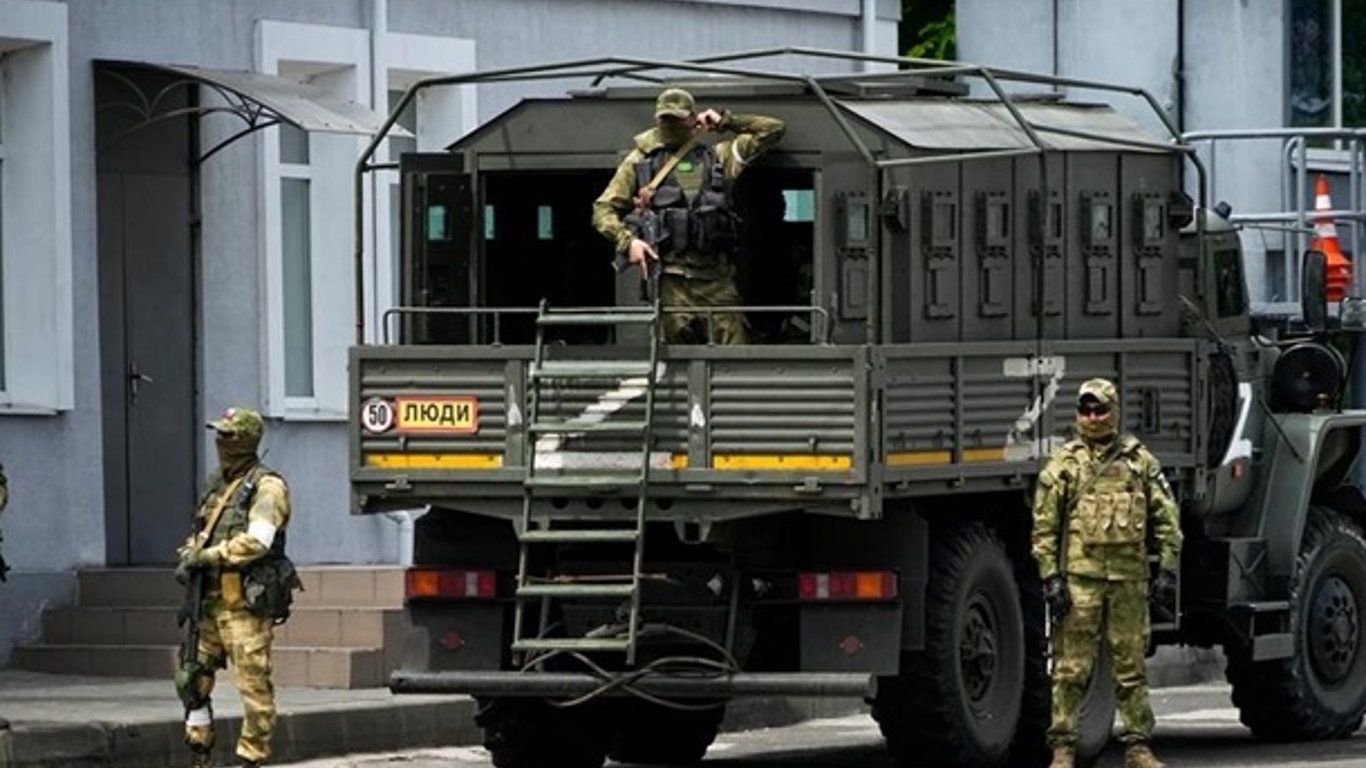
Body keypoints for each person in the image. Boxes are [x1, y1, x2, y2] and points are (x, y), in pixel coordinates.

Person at [1031, 379, 1182, 768]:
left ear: (1114, 412)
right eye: (1086, 410)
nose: (1093, 417)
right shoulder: (1065, 465)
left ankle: (1138, 747)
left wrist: (1167, 568)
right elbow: (1044, 528)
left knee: (1131, 667)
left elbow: (1166, 518)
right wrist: (1051, 578)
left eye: (1100, 409)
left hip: (1128, 581)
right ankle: (1063, 749)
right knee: (1071, 669)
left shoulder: (1138, 462)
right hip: (1081, 582)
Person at [592, 87, 785, 344]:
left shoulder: (718, 157)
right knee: (676, 358)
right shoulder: (640, 161)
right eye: (666, 119)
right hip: (671, 281)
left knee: (735, 351)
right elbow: (603, 210)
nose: (671, 125)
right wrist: (628, 243)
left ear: (693, 118)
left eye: (677, 119)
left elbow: (773, 130)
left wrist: (726, 121)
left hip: (715, 279)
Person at [175, 406, 296, 768]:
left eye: (228, 436)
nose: (220, 442)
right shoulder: (218, 483)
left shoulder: (267, 487)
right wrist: (190, 552)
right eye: (219, 435)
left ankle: (250, 759)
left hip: (243, 605)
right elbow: (204, 530)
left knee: (254, 688)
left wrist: (208, 556)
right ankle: (200, 751)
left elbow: (258, 541)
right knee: (191, 679)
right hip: (207, 602)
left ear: (246, 440)